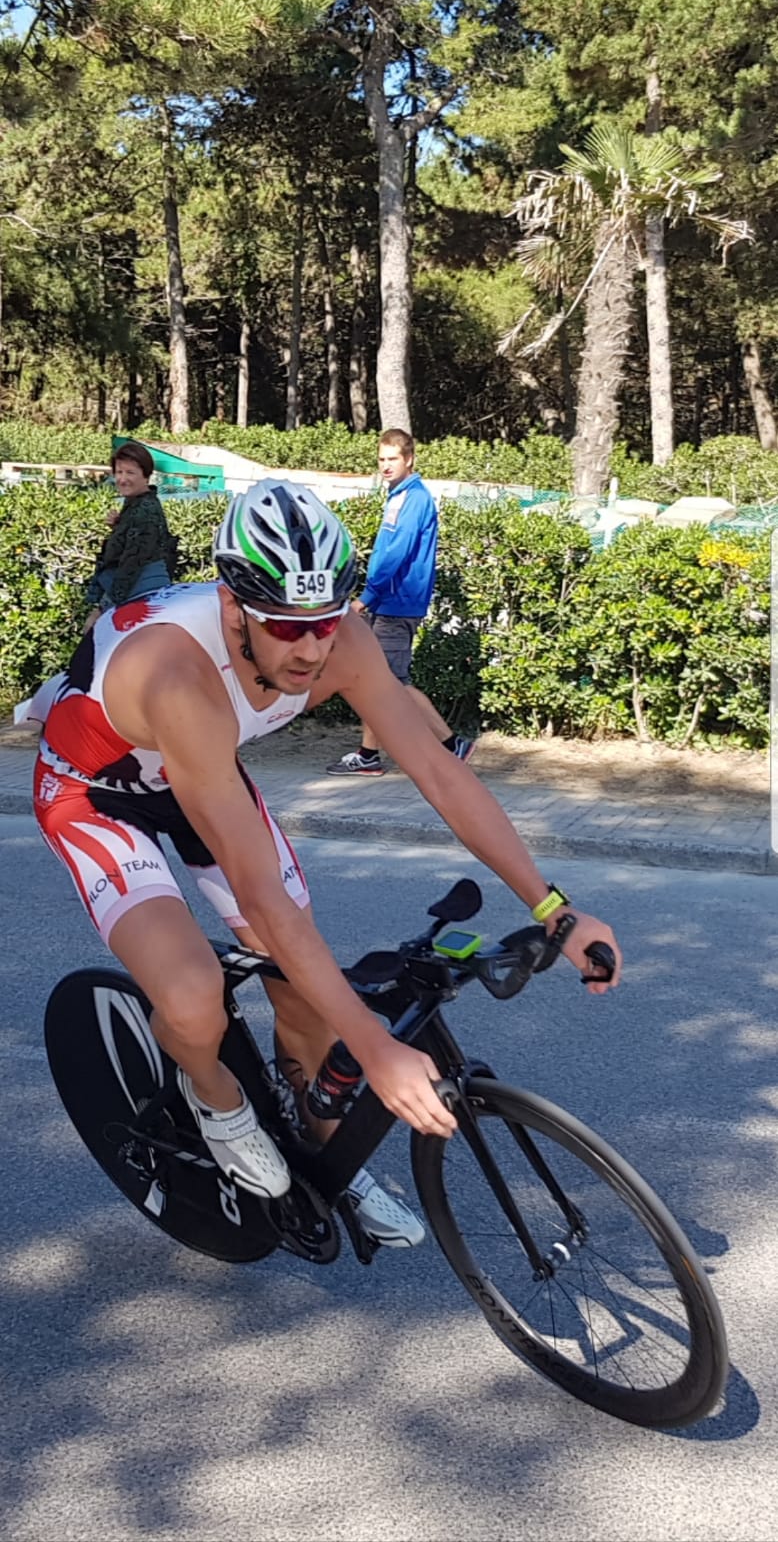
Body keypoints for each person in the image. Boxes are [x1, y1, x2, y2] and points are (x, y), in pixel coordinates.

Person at [31, 478, 621, 1251]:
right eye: (284, 626)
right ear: (235, 608)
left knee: (306, 998)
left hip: (201, 769)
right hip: (95, 792)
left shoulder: (343, 638)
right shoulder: (178, 673)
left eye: (323, 619)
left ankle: (324, 1152)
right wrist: (377, 1051)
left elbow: (440, 772)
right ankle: (216, 1100)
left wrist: (555, 909)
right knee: (191, 994)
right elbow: (260, 895)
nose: (310, 648)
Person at [327, 428, 474, 776]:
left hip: (396, 603)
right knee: (378, 680)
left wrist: (365, 599)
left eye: (393, 459)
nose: (386, 466)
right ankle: (369, 755)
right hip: (390, 602)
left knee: (392, 682)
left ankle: (451, 744)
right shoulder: (399, 495)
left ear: (409, 459)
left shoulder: (413, 499)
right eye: (381, 459)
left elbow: (396, 554)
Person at [83, 440, 175, 634]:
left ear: (146, 476)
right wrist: (120, 525)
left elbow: (132, 563)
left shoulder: (145, 510)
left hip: (139, 597)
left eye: (130, 473)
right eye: (119, 472)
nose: (123, 479)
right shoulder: (136, 504)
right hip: (141, 596)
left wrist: (102, 610)